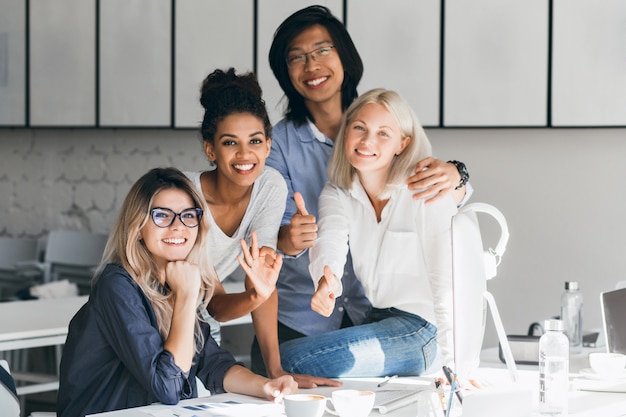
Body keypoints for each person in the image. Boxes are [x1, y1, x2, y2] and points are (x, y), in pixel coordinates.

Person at [251, 5, 472, 376]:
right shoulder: (281, 148)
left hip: (379, 317)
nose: (312, 65)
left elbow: (437, 201)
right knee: (276, 372)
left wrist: (459, 178)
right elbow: (302, 237)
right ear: (285, 73)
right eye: (297, 58)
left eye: (322, 50)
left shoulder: (381, 119)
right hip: (304, 318)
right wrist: (296, 245)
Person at [57, 167, 297, 417]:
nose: (178, 226)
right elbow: (167, 386)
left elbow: (213, 363)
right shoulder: (117, 285)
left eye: (188, 216)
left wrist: (266, 386)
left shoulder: (176, 279)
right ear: (138, 226)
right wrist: (185, 296)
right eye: (162, 216)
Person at [280, 88, 457, 377]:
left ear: (403, 143)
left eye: (383, 133)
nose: (367, 141)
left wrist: (454, 362)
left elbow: (448, 281)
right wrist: (327, 282)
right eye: (359, 128)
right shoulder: (338, 191)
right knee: (276, 358)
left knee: (291, 360)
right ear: (346, 132)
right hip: (377, 318)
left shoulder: (426, 190)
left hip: (425, 331)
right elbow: (330, 240)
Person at [185, 68, 335, 388]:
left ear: (268, 145)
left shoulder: (268, 185)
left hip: (196, 329)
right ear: (210, 149)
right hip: (140, 318)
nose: (244, 155)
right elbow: (218, 304)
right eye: (230, 143)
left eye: (255, 141)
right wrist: (256, 293)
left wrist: (276, 369)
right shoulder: (184, 198)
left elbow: (263, 277)